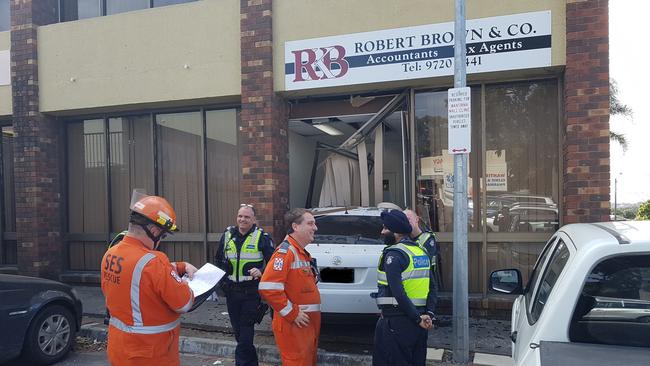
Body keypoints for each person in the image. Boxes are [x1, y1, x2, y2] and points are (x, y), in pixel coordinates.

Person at [101, 191, 197, 366]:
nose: (161, 240)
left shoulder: (111, 253)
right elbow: (184, 303)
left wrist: (180, 266)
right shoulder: (155, 261)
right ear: (153, 230)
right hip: (150, 354)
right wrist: (184, 284)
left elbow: (138, 275)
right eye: (163, 235)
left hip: (119, 349)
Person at [373, 209, 437, 366]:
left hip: (397, 321)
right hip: (420, 322)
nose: (382, 232)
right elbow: (433, 288)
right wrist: (428, 314)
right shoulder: (420, 251)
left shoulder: (394, 254)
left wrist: (416, 318)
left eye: (385, 228)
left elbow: (398, 291)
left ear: (395, 232)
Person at [258, 208, 321, 366]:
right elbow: (268, 287)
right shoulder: (286, 253)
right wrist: (292, 314)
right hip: (294, 326)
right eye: (310, 223)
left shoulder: (299, 253)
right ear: (295, 226)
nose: (315, 228)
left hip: (303, 326)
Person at [213, 204, 274, 366]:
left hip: (251, 293)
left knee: (246, 333)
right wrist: (222, 283)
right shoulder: (227, 235)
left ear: (254, 220)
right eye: (240, 216)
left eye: (247, 217)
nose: (243, 219)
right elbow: (218, 260)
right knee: (239, 334)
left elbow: (274, 264)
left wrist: (261, 271)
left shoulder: (262, 237)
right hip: (232, 292)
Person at [404, 209, 441, 289]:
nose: (406, 222)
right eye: (403, 220)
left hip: (427, 282)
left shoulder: (428, 238)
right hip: (409, 283)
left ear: (417, 219)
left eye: (408, 219)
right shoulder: (403, 238)